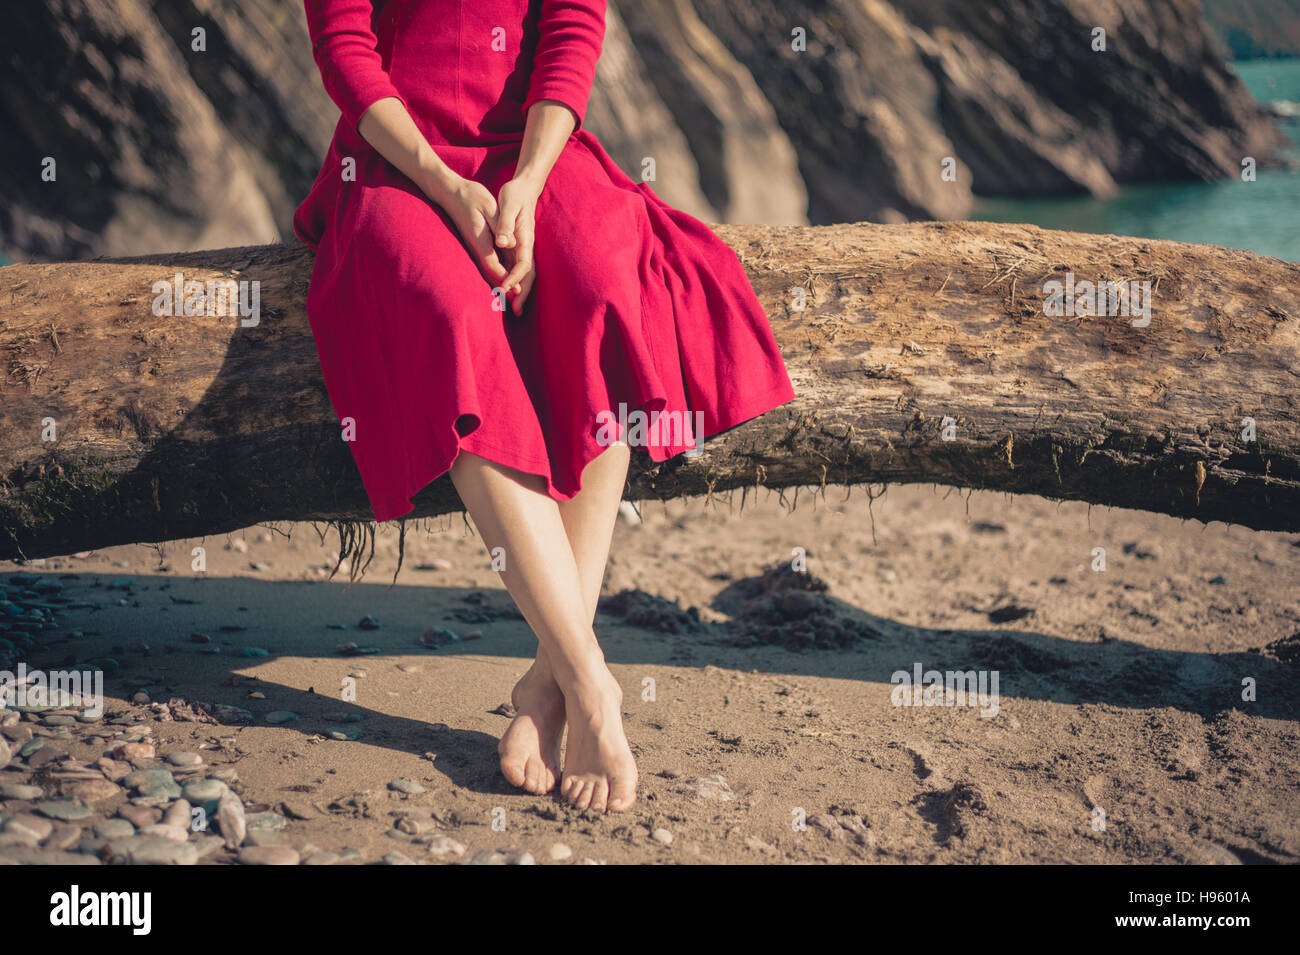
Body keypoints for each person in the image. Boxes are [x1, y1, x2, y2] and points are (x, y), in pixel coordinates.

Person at [294, 0, 795, 813]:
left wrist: (525, 182)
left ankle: (544, 681)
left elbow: (571, 32)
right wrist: (449, 187)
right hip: (395, 163)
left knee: (602, 282)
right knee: (449, 317)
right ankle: (592, 684)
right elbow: (343, 46)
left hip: (536, 154)